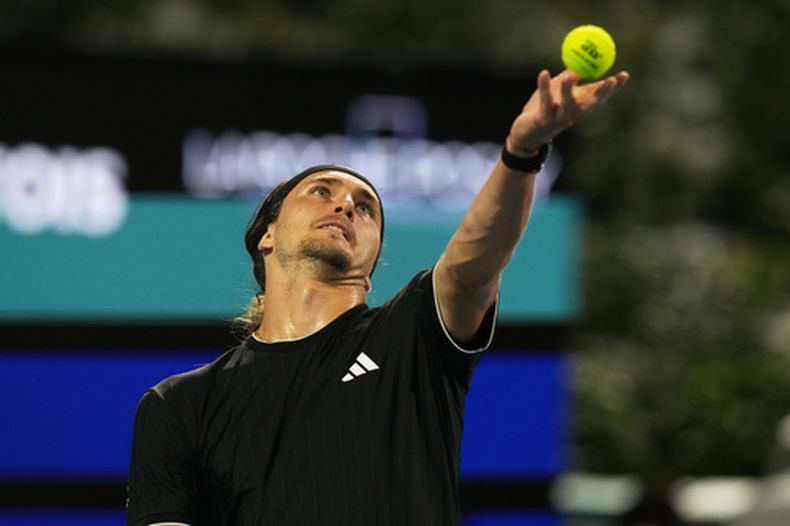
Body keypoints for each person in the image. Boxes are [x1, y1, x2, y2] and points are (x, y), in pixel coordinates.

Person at [125, 68, 629, 526]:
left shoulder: (410, 337)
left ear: (370, 267)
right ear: (267, 235)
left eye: (365, 208)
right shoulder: (178, 405)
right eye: (321, 191)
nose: (345, 204)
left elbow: (472, 269)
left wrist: (523, 153)